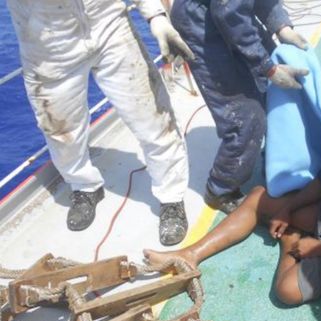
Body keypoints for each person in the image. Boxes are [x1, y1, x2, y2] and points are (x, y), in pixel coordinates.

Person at [144, 87, 321, 304]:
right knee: (259, 197)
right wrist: (288, 208)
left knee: (287, 292)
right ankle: (190, 255)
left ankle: (291, 240)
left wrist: (320, 247)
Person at [7, 0, 194, 245]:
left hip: (109, 26)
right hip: (47, 46)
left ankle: (172, 197)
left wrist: (155, 15)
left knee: (155, 120)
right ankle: (84, 187)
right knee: (61, 132)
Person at [169, 0, 309, 214]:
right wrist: (268, 68)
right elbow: (230, 15)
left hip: (230, 9)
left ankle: (275, 159)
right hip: (201, 25)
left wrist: (282, 27)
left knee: (270, 92)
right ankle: (220, 188)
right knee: (246, 116)